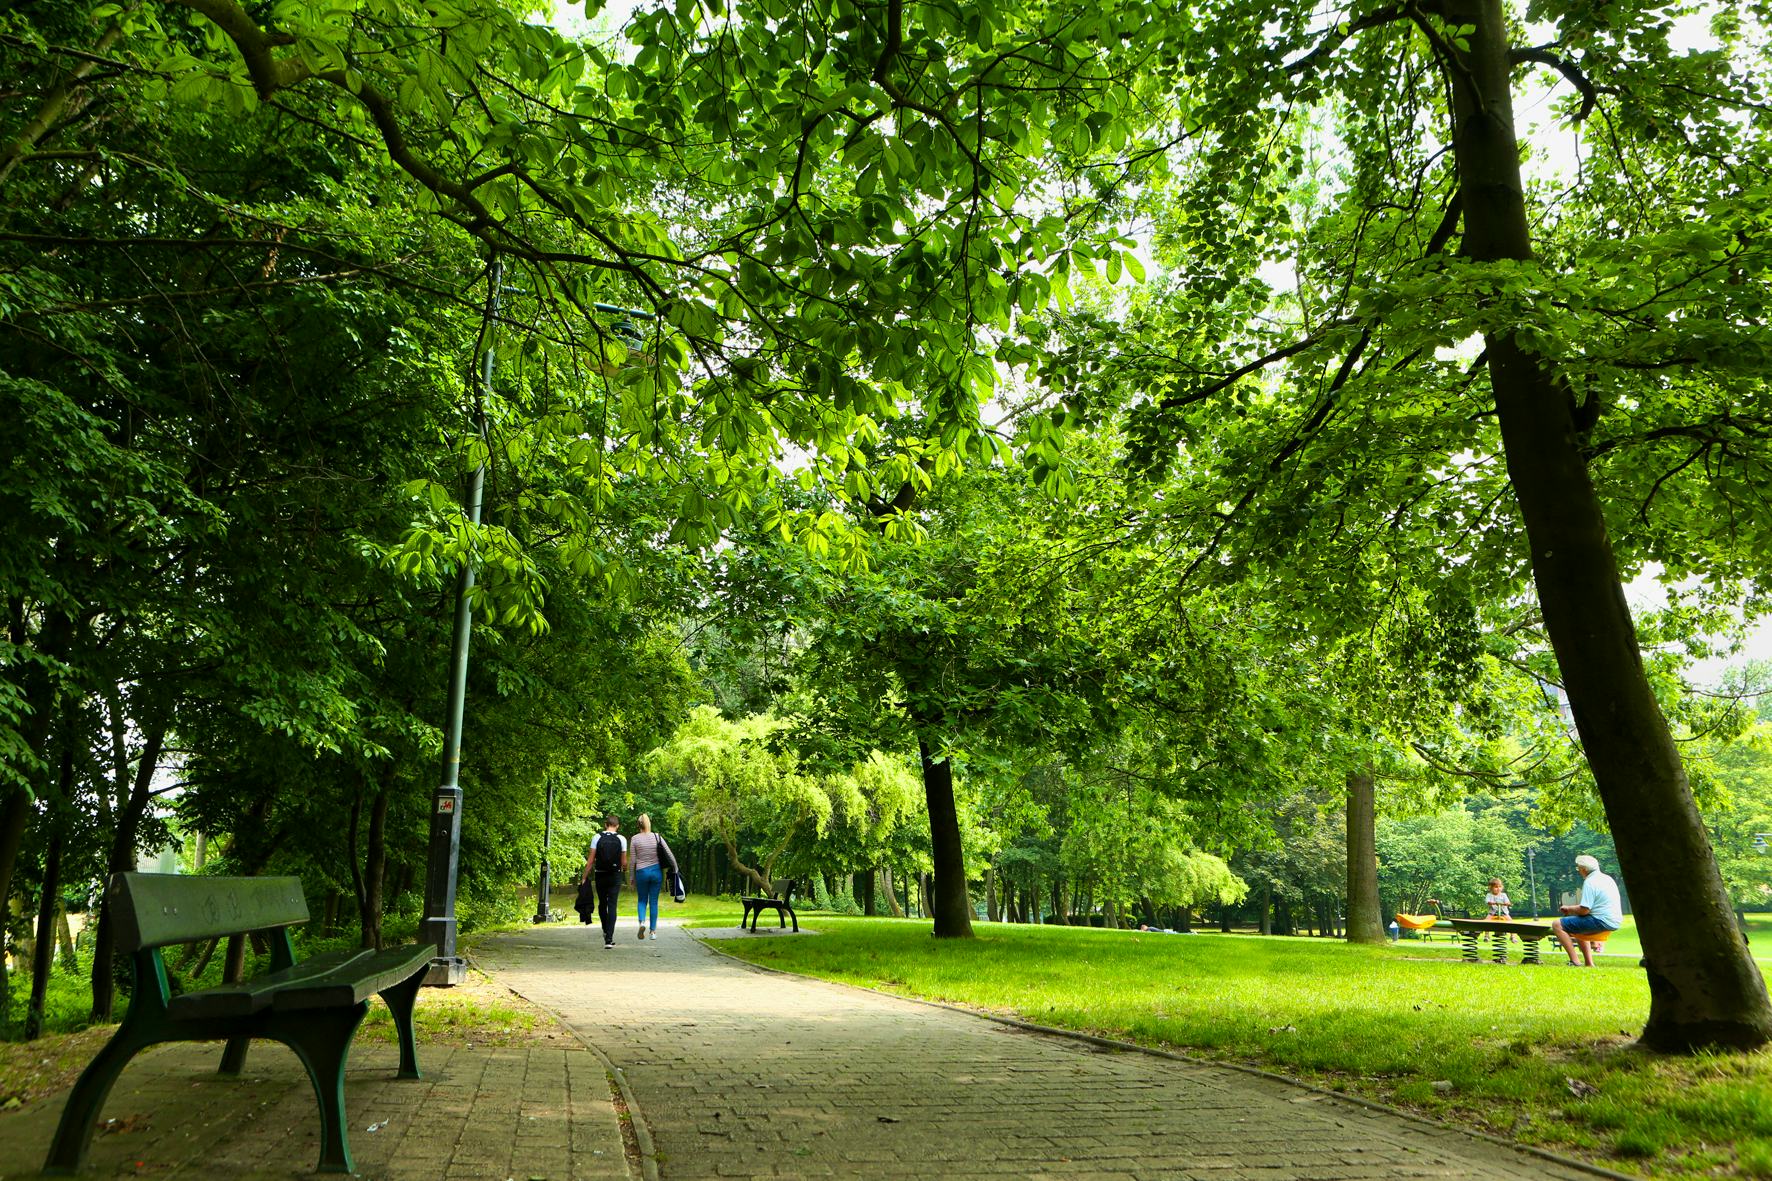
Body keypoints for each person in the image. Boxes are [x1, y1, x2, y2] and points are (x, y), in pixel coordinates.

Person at [1551, 854, 1622, 966]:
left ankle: (1575, 961)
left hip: (1601, 920)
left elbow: (1584, 910)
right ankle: (1589, 963)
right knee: (1578, 924)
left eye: (1578, 868)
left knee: (1557, 924)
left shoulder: (1590, 882)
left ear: (1583, 869)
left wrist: (1568, 908)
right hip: (1615, 920)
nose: (1578, 871)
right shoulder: (1607, 878)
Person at [579, 814, 628, 949]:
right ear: (617, 826)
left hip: (600, 874)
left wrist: (584, 876)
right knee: (612, 905)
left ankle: (605, 930)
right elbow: (624, 862)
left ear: (605, 824)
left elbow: (590, 860)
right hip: (615, 875)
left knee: (602, 903)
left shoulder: (597, 837)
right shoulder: (622, 839)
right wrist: (624, 869)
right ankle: (609, 938)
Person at [628, 813, 678, 941]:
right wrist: (675, 868)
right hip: (656, 872)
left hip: (641, 873)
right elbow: (669, 853)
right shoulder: (657, 837)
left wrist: (632, 877)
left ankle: (642, 923)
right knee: (654, 902)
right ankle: (653, 932)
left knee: (642, 900)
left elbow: (633, 860)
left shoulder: (634, 839)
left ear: (638, 825)